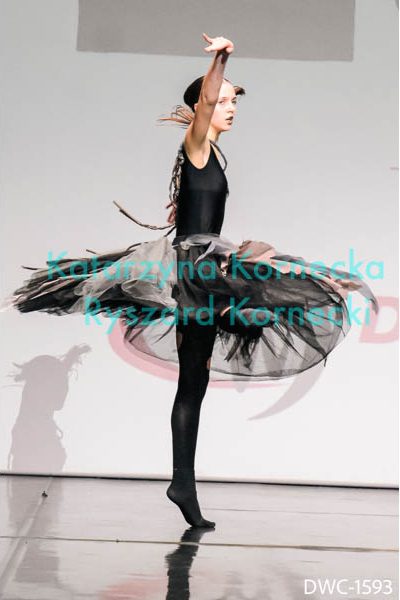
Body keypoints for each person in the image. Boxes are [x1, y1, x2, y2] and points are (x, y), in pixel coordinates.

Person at [2, 33, 379, 529]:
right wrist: (222, 56)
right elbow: (204, 105)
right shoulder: (197, 145)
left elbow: (199, 212)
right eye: (223, 101)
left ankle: (183, 482)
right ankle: (185, 476)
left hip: (204, 266)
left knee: (194, 380)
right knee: (254, 311)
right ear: (202, 107)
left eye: (233, 101)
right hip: (195, 273)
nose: (231, 108)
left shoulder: (211, 156)